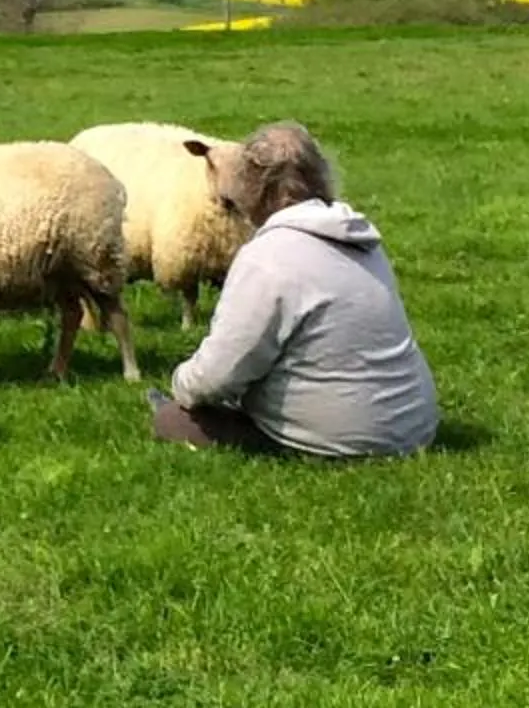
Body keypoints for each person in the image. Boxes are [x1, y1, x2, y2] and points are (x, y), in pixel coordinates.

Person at [149, 120, 438, 459]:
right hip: (414, 427)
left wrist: (181, 385)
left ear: (254, 185)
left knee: (172, 419)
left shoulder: (267, 257)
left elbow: (219, 374)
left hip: (345, 439)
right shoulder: (363, 240)